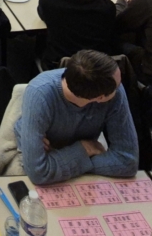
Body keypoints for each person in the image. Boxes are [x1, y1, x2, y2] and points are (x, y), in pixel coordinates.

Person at [17, 50, 139, 185]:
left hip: (59, 157)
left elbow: (128, 161)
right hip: (35, 149)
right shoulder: (39, 93)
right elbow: (38, 173)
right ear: (100, 98)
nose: (120, 87)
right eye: (117, 85)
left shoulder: (114, 92)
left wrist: (63, 162)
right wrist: (84, 149)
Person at [38, 0, 117, 69]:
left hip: (60, 66)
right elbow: (93, 2)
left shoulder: (51, 3)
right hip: (96, 66)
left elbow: (43, 8)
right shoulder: (107, 6)